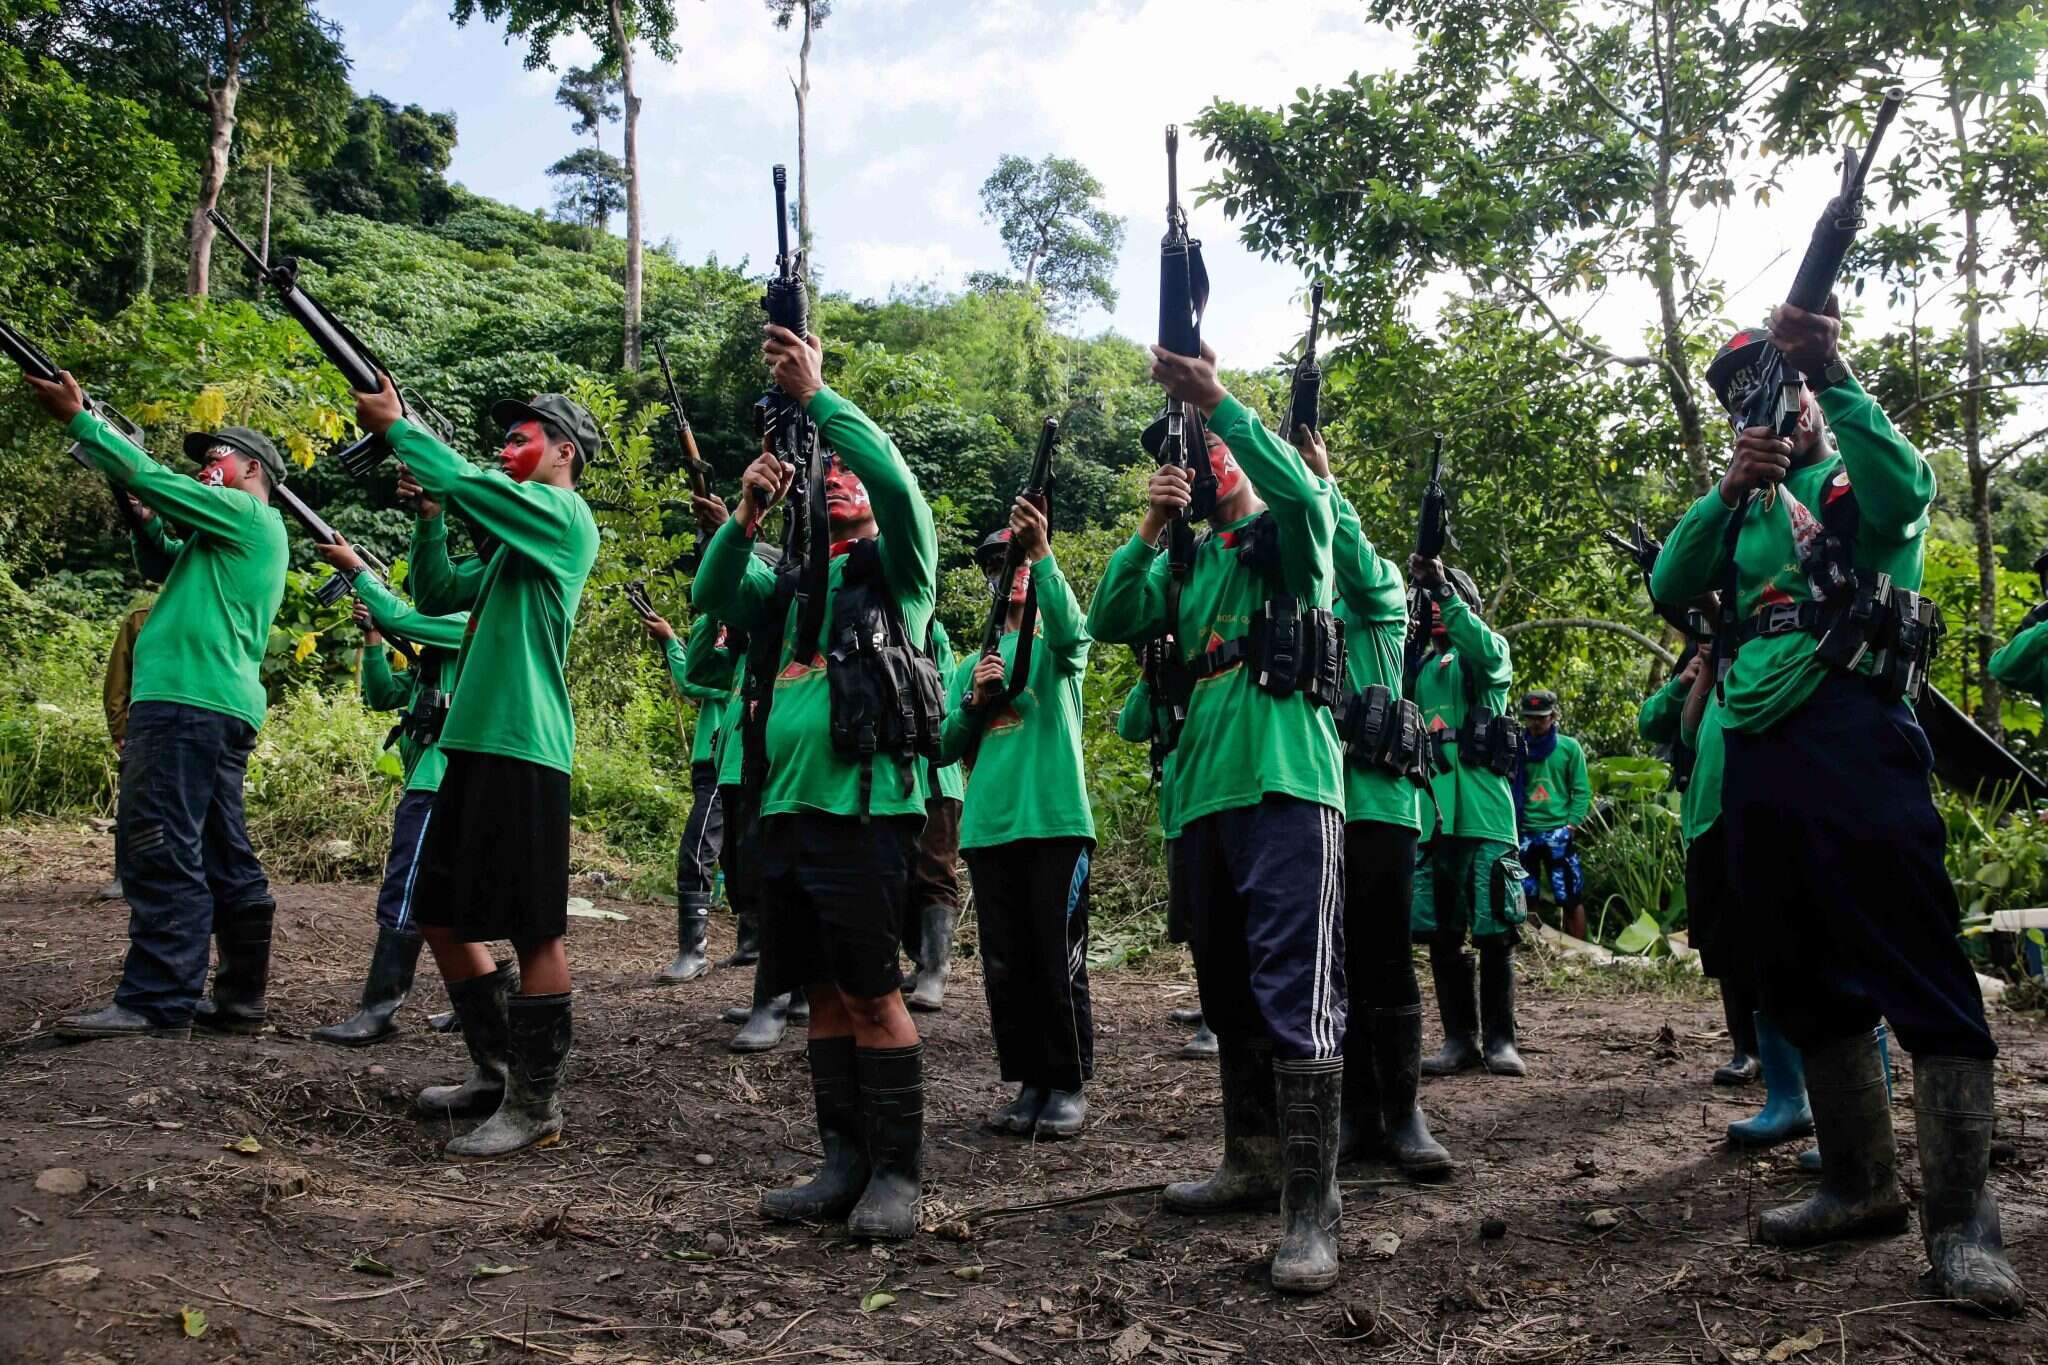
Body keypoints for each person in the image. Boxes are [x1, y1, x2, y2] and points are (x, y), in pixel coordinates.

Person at [1652, 304, 2023, 1315]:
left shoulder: (1851, 472)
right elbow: (1670, 585)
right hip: (1759, 757)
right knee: (1800, 972)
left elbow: (1910, 492)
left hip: (1857, 734)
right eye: (1743, 397)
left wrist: (1835, 370)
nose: (1766, 406)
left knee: (1917, 964)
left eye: (1775, 387)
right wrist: (1726, 492)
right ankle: (1857, 1185)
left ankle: (1960, 1225)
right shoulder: (1741, 502)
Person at [1087, 342, 1348, 1295]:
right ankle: (1251, 1159)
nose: (1204, 462)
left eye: (1210, 452)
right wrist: (1152, 527)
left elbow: (1312, 497)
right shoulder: (1187, 568)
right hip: (1199, 793)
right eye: (1190, 455)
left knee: (1294, 994)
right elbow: (1110, 618)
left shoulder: (1292, 538)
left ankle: (1313, 1209)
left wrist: (1223, 406)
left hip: (1285, 781)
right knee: (1228, 989)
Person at [693, 325, 939, 1241]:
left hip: (866, 815)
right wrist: (746, 515)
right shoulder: (792, 584)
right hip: (787, 813)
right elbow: (714, 598)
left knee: (874, 992)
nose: (834, 473)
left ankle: (898, 1175)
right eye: (820, 467)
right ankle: (841, 1163)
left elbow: (902, 487)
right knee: (824, 997)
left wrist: (821, 398)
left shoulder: (899, 571)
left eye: (846, 469)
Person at [355, 379, 600, 1161]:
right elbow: (435, 590)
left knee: (534, 928)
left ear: (564, 451)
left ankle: (536, 1103)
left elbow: (469, 480)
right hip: (474, 741)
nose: (506, 447)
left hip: (525, 744)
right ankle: (496, 1071)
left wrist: (401, 431)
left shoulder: (563, 517)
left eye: (522, 435)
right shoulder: (511, 543)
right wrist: (429, 514)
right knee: (439, 913)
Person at [25, 372, 288, 1042]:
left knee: (158, 843)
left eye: (214, 459)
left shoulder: (248, 513)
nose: (204, 469)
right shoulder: (221, 539)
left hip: (185, 704)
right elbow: (158, 554)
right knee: (222, 851)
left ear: (250, 468)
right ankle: (238, 997)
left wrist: (82, 422)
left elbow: (155, 481)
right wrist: (137, 509)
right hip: (212, 706)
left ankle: (154, 999)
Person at [1305, 427, 1452, 1179]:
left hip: (1383, 803)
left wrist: (1324, 482)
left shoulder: (1384, 594)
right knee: (1337, 965)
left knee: (1388, 959)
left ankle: (1405, 1113)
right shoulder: (1316, 598)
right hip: (1322, 802)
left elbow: (1356, 559)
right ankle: (1358, 1113)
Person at [940, 507, 1095, 1140]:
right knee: (1007, 964)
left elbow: (1075, 635)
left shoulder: (1054, 644)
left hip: (1055, 821)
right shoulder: (971, 660)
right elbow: (945, 745)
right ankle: (1030, 1080)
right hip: (989, 827)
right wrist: (975, 701)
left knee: (1058, 959)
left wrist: (1046, 554)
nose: (1017, 573)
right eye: (1005, 565)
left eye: (1022, 560)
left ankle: (1067, 1083)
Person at [308, 586, 467, 1046]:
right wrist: (373, 638)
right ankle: (477, 1003)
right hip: (430, 780)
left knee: (406, 891)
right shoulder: (431, 664)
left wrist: (378, 603)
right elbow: (379, 695)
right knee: (449, 897)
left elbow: (407, 620)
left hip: (437, 784)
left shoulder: (466, 624)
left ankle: (379, 1009)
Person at [1406, 557, 1526, 1078]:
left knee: (1495, 926)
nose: (1436, 608)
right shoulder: (1420, 668)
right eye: (1432, 600)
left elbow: (1481, 648)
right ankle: (1459, 1040)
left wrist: (1445, 592)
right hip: (1432, 816)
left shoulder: (1487, 653)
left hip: (1483, 813)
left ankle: (1502, 1041)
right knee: (1440, 930)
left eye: (1446, 600)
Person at [1637, 644, 1767, 1092]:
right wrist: (1690, 677)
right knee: (1725, 942)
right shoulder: (1704, 652)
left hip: (1763, 808)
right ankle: (1745, 1048)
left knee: (1771, 935)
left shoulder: (1772, 642)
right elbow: (1654, 723)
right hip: (1706, 816)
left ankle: (1782, 1050)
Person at [1114, 658, 1215, 1061]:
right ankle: (1212, 1003)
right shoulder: (1163, 683)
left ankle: (1220, 1021)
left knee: (1216, 918)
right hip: (1178, 812)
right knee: (1190, 920)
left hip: (1210, 802)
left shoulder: (1209, 672)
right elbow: (1130, 727)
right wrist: (1149, 675)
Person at [637, 605, 737, 985]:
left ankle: (693, 953)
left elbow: (694, 680)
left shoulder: (743, 644)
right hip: (711, 762)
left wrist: (671, 643)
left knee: (696, 852)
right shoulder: (728, 637)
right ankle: (744, 946)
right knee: (731, 854)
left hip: (721, 761)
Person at [905, 620, 967, 1012]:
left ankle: (936, 968)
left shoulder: (931, 630)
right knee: (899, 874)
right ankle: (919, 959)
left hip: (936, 779)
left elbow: (941, 692)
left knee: (934, 869)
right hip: (898, 780)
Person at [1513, 690, 1590, 942]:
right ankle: (1534, 947)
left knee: (1569, 894)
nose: (1535, 723)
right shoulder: (1516, 746)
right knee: (1527, 894)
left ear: (1554, 716)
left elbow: (1581, 789)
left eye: (1541, 718)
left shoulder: (1569, 748)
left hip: (1558, 831)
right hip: (1525, 831)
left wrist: (1571, 825)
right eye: (1530, 717)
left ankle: (1577, 950)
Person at [97, 588, 154, 903]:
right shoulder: (140, 620)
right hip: (141, 721)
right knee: (133, 801)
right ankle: (125, 876)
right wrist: (119, 727)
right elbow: (118, 679)